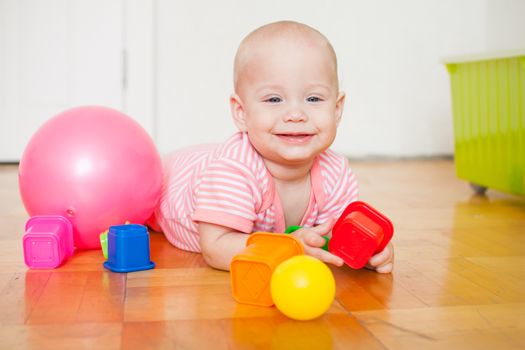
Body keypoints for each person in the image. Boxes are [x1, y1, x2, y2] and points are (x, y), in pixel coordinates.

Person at [150, 21, 394, 273]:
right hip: (168, 181)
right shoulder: (233, 171)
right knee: (136, 203)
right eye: (274, 99)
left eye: (313, 99)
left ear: (337, 108)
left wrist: (367, 251)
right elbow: (216, 249)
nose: (296, 114)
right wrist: (289, 248)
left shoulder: (335, 172)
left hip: (210, 158)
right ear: (241, 112)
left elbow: (335, 239)